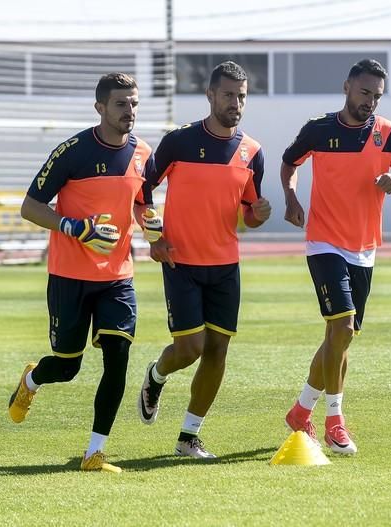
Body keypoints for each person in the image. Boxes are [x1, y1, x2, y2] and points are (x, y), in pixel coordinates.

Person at [9, 72, 156, 473]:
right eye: (121, 104)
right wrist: (78, 228)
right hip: (69, 276)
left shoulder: (143, 153)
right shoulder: (71, 151)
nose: (130, 111)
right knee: (67, 366)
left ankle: (95, 452)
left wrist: (151, 223)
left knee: (119, 355)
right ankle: (32, 380)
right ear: (100, 108)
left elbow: (144, 202)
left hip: (117, 277)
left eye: (134, 103)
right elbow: (30, 206)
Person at [281, 59, 391, 455]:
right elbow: (290, 161)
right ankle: (335, 421)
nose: (370, 102)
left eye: (377, 96)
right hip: (324, 242)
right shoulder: (319, 129)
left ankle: (300, 411)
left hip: (364, 249)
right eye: (364, 93)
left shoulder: (388, 133)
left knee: (340, 338)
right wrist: (291, 197)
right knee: (341, 328)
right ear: (346, 87)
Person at [137, 61, 271, 459]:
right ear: (211, 95)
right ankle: (156, 375)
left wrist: (257, 216)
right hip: (181, 262)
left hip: (226, 265)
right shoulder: (178, 141)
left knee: (217, 351)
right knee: (190, 347)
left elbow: (248, 212)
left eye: (242, 96)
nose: (236, 103)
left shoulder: (253, 152)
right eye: (228, 95)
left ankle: (188, 437)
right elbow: (142, 192)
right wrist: (154, 237)